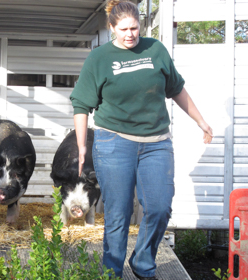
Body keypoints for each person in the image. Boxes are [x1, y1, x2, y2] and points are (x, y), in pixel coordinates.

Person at [70, 1, 213, 279]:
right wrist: (82, 146)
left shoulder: (155, 50)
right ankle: (111, 272)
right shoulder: (99, 58)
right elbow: (80, 104)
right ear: (112, 28)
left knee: (159, 207)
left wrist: (200, 120)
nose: (130, 34)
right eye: (123, 29)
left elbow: (177, 89)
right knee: (118, 213)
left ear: (141, 26)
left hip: (156, 143)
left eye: (134, 27)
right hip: (114, 142)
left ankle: (143, 263)